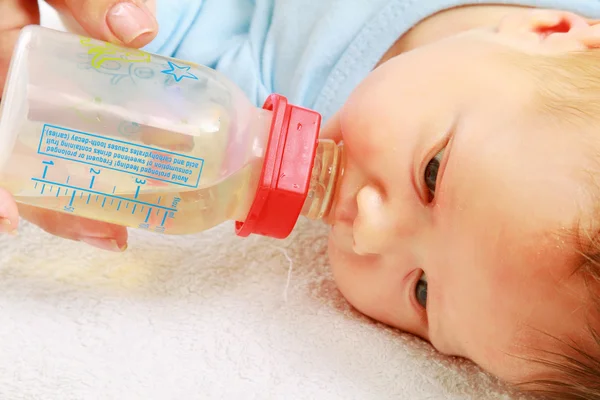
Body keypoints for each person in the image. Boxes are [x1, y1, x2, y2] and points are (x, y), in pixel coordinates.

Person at [1, 1, 600, 398]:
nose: (367, 230)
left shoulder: (220, 117)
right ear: (551, 31)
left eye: (421, 290)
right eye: (433, 175)